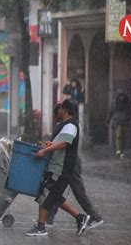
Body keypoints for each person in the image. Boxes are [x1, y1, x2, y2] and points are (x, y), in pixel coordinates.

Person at [25, 99, 90, 237]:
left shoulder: (71, 126)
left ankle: (41, 227)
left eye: (60, 108)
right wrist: (49, 144)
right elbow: (59, 142)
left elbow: (64, 144)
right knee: (54, 196)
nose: (58, 110)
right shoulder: (65, 125)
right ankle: (80, 218)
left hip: (61, 168)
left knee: (45, 194)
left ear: (65, 110)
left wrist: (44, 151)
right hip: (55, 166)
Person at [47, 158, 104, 229]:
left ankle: (95, 217)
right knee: (55, 189)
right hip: (64, 161)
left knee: (78, 191)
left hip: (70, 162)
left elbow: (63, 146)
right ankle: (48, 219)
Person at [105, 92, 131, 159]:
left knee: (122, 136)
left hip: (124, 121)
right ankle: (118, 150)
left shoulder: (127, 102)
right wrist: (108, 120)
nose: (121, 98)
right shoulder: (115, 102)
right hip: (118, 122)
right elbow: (110, 111)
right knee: (119, 135)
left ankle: (121, 150)